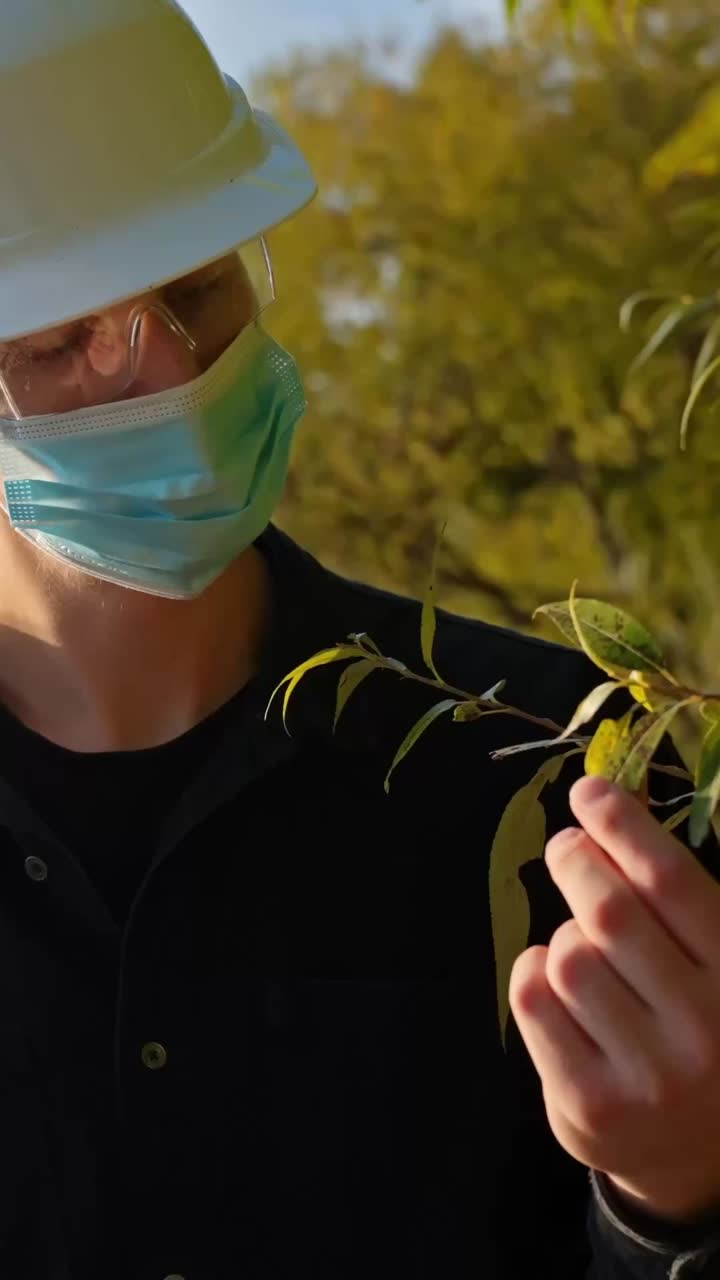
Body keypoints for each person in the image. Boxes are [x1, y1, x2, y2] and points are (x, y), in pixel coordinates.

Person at [1, 2, 719, 1277]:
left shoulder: (563, 764)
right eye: (69, 338)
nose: (171, 369)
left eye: (199, 284)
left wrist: (674, 1198)